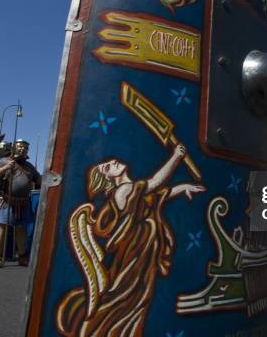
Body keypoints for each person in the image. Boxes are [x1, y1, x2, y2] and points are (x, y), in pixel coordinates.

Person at [56, 144, 205, 336]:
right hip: (134, 257)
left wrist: (182, 187)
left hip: (141, 254)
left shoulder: (132, 191)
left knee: (135, 306)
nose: (112, 162)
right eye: (108, 167)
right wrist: (176, 156)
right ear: (108, 179)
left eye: (110, 162)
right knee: (124, 302)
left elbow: (157, 196)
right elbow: (155, 182)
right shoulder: (123, 190)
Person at [0, 139, 41, 268]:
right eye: (20, 147)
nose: (22, 149)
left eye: (25, 148)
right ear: (14, 148)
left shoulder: (29, 166)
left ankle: (22, 257)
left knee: (21, 229)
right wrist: (6, 167)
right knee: (3, 229)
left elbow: (39, 179)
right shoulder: (4, 161)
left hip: (24, 202)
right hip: (8, 201)